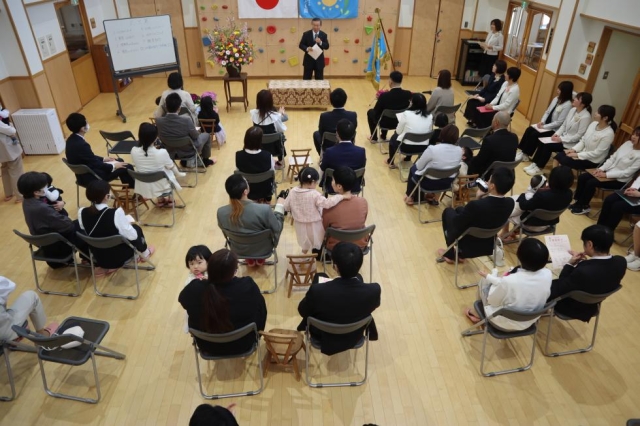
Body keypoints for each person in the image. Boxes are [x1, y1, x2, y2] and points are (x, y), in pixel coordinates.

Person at [297, 242, 381, 355]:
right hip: (354, 335)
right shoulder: (373, 291)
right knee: (358, 278)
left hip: (322, 336)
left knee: (319, 276)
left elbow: (303, 310)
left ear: (335, 266)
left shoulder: (317, 291)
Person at [179, 249, 267, 356]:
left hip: (207, 346)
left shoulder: (194, 288)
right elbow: (260, 309)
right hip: (244, 343)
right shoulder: (247, 286)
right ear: (234, 271)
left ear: (209, 269)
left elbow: (183, 301)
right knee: (260, 302)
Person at [464, 238, 552, 331]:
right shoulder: (548, 274)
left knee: (484, 281)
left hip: (503, 323)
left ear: (519, 255)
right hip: (529, 321)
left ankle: (477, 314)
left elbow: (492, 301)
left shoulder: (510, 281)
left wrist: (496, 281)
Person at [548, 225, 626, 322]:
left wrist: (569, 264)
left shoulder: (583, 271)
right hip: (593, 306)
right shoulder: (621, 262)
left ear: (590, 244)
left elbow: (561, 285)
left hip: (570, 307)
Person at [438, 167, 515, 263]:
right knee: (459, 209)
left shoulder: (475, 205)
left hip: (467, 245)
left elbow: (457, 223)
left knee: (448, 212)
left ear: (492, 186)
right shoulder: (510, 203)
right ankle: (457, 254)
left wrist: (478, 198)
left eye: (489, 180)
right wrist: (479, 197)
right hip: (487, 243)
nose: (487, 182)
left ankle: (451, 255)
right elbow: (482, 212)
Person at [78, 180, 155, 272]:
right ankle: (145, 253)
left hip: (98, 257)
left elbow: (86, 229)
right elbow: (133, 236)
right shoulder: (116, 213)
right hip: (118, 257)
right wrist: (127, 224)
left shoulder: (81, 212)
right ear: (107, 196)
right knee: (136, 229)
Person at [217, 173, 285, 266]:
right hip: (264, 249)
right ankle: (260, 259)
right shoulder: (264, 209)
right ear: (245, 191)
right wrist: (280, 207)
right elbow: (276, 228)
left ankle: (249, 259)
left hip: (238, 249)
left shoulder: (221, 212)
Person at [18, 172, 84, 268]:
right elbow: (67, 225)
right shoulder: (41, 208)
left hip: (45, 244)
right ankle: (91, 259)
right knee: (84, 224)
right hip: (58, 246)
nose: (47, 188)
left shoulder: (27, 201)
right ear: (36, 192)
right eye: (45, 186)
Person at [569, 126, 640, 215]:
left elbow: (627, 173)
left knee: (591, 182)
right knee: (583, 177)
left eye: (637, 135)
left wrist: (606, 175)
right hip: (607, 172)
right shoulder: (627, 144)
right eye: (633, 134)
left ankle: (584, 206)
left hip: (618, 180)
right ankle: (577, 202)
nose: (633, 136)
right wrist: (601, 169)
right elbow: (612, 158)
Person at [523, 92, 593, 175]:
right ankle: (534, 164)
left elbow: (578, 136)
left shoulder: (586, 117)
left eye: (577, 99)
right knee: (542, 141)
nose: (574, 99)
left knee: (548, 146)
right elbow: (564, 125)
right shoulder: (573, 110)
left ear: (583, 104)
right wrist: (557, 134)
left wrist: (561, 139)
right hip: (562, 137)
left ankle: (539, 167)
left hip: (570, 143)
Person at [500, 165, 574, 241]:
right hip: (548, 224)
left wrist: (523, 195)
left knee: (509, 207)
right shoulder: (569, 194)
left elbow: (524, 205)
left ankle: (505, 233)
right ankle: (515, 231)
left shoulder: (542, 196)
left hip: (530, 225)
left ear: (552, 179)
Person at [283, 167, 347, 253]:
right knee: (318, 239)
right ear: (312, 182)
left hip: (299, 224)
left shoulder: (292, 192)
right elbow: (327, 203)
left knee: (305, 242)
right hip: (314, 224)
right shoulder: (314, 194)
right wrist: (341, 196)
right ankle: (319, 254)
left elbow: (286, 207)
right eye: (316, 183)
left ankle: (304, 255)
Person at [64, 113, 135, 188]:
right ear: (82, 128)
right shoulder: (82, 145)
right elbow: (96, 164)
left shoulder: (70, 140)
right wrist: (113, 166)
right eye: (86, 122)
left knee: (119, 160)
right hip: (94, 176)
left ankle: (127, 190)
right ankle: (134, 191)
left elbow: (88, 157)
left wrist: (104, 159)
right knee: (127, 166)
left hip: (82, 176)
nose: (87, 123)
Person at [404, 124, 462, 205]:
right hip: (446, 183)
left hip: (428, 183)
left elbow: (419, 166)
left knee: (413, 168)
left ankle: (409, 196)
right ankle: (433, 197)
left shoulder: (433, 149)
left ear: (442, 134)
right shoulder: (459, 151)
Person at [130, 122, 185, 206]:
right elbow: (171, 166)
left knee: (151, 170)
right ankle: (170, 199)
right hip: (162, 187)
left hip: (143, 187)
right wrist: (178, 174)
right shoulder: (161, 152)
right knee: (166, 170)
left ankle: (160, 200)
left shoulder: (133, 150)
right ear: (155, 138)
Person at [518, 81, 574, 161]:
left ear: (565, 91)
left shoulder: (567, 105)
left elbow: (559, 122)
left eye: (560, 89)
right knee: (529, 129)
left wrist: (544, 127)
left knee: (535, 134)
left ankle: (526, 154)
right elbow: (547, 111)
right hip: (545, 125)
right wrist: (542, 121)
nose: (557, 90)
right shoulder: (556, 99)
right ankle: (523, 151)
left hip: (553, 129)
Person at [156, 93, 215, 168]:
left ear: (166, 107)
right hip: (188, 151)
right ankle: (205, 161)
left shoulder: (158, 121)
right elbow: (195, 136)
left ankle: (186, 161)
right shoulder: (186, 120)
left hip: (170, 151)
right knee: (206, 135)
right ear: (179, 107)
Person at [553, 105, 616, 172]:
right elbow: (583, 140)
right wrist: (574, 150)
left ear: (605, 118)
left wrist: (577, 155)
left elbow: (597, 153)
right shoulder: (593, 124)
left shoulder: (609, 134)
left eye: (598, 113)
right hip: (583, 152)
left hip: (592, 160)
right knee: (559, 156)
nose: (595, 113)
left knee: (565, 160)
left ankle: (560, 179)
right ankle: (554, 175)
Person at [323, 167, 369, 251]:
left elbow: (325, 229)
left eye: (333, 180)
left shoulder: (329, 206)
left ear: (339, 186)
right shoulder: (363, 202)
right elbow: (362, 221)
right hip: (359, 244)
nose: (331, 182)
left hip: (336, 246)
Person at [0, 276, 58, 342]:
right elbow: (6, 288)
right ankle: (42, 336)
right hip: (4, 334)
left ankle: (11, 330)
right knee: (32, 296)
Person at [387, 93, 433, 168]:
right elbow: (428, 131)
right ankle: (407, 158)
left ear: (413, 103)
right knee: (415, 135)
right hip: (423, 147)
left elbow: (398, 132)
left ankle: (390, 161)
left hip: (406, 147)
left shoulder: (406, 114)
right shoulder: (430, 116)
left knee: (394, 137)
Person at [320, 119, 366, 194]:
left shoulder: (329, 151)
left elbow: (322, 170)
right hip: (353, 187)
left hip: (333, 187)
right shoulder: (361, 151)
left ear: (337, 134)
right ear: (354, 134)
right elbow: (361, 168)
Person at [467, 111, 518, 177]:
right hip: (508, 174)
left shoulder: (489, 140)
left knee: (468, 161)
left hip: (490, 174)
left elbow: (479, 161)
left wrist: (469, 159)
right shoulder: (514, 138)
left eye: (493, 119)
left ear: (496, 122)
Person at [367, 71, 412, 142]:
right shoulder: (408, 94)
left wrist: (379, 99)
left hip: (384, 122)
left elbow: (376, 111)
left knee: (370, 112)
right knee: (387, 111)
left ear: (390, 81)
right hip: (399, 122)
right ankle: (383, 135)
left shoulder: (384, 96)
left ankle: (374, 138)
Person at [235, 126, 275, 202]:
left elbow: (239, 174)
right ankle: (267, 198)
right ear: (260, 141)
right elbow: (272, 173)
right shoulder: (268, 155)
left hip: (247, 190)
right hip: (265, 189)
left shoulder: (238, 155)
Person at [250, 89, 288, 167]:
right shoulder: (275, 116)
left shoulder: (253, 113)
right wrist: (280, 114)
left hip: (259, 145)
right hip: (274, 147)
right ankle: (280, 162)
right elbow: (281, 129)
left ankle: (262, 159)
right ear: (270, 101)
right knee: (280, 135)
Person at [313, 88, 358, 154]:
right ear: (345, 100)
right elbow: (352, 130)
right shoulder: (353, 115)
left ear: (331, 102)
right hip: (347, 144)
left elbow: (321, 132)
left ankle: (324, 156)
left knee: (316, 134)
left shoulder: (324, 116)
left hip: (329, 146)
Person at [464, 60, 507, 124]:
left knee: (477, 105)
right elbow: (486, 87)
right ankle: (472, 120)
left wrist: (485, 99)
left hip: (491, 100)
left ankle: (477, 122)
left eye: (494, 66)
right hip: (485, 95)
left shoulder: (502, 80)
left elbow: (496, 94)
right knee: (471, 101)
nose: (493, 66)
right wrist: (478, 94)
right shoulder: (493, 75)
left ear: (499, 68)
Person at [182, 245, 212, 333]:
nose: (195, 266)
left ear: (208, 261)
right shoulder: (190, 279)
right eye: (191, 264)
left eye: (199, 263)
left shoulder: (212, 272)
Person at [0, 107, 24, 203]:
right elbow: (11, 131)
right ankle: (20, 195)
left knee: (5, 169)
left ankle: (9, 193)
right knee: (16, 170)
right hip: (7, 148)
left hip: (2, 151)